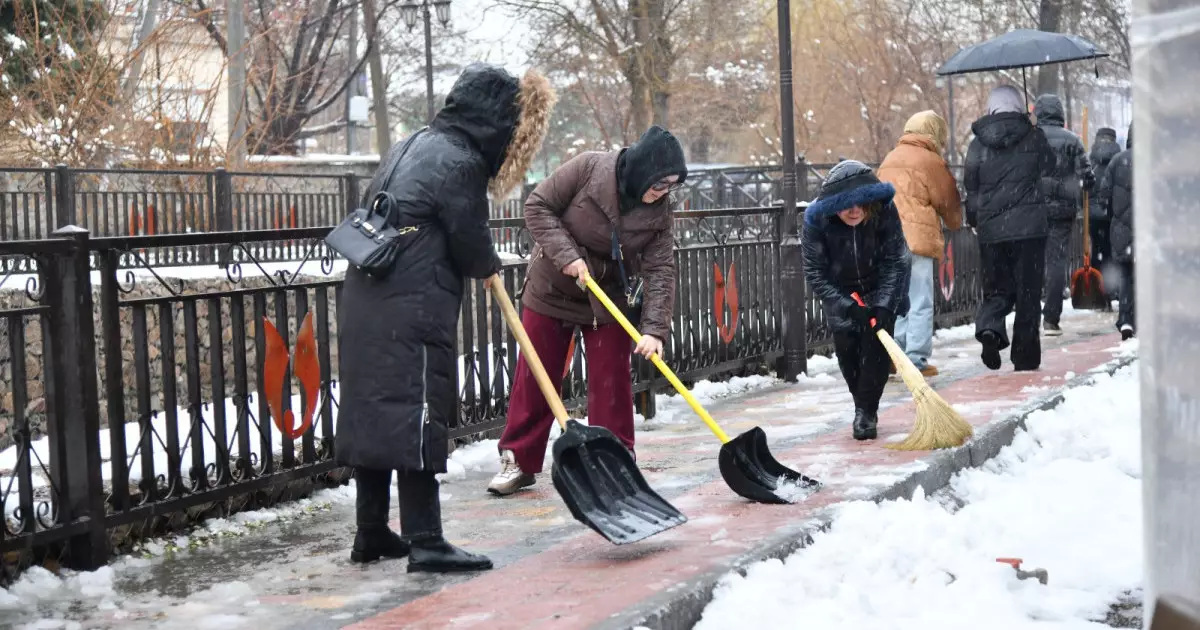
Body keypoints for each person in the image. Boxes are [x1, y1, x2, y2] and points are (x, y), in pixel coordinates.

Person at [336, 64, 554, 572]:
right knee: (416, 416)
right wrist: (488, 265)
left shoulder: (416, 142)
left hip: (369, 295)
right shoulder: (460, 161)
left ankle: (370, 533)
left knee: (378, 416)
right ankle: (427, 541)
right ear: (498, 120)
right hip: (412, 303)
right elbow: (468, 236)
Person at [487, 125, 687, 495]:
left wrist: (655, 330)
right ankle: (518, 460)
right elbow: (537, 206)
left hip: (607, 296)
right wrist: (567, 256)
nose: (663, 193)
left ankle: (615, 462)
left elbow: (660, 269)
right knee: (536, 376)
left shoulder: (659, 212)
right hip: (553, 287)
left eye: (671, 187)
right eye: (659, 184)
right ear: (641, 170)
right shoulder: (588, 168)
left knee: (612, 381)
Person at [801, 160, 909, 440]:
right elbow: (815, 272)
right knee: (849, 359)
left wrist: (885, 304)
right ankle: (862, 403)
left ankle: (866, 413)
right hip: (842, 294)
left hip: (879, 288)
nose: (854, 210)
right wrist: (847, 306)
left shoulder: (884, 212)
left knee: (876, 355)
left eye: (860, 203)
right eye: (846, 204)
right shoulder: (817, 221)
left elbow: (896, 259)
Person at [964, 85, 1057, 372]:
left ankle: (991, 328)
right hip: (1030, 231)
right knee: (1028, 294)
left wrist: (975, 219)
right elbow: (1050, 167)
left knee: (997, 290)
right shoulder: (1033, 136)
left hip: (993, 232)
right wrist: (1034, 131)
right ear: (1019, 106)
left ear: (991, 108)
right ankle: (1025, 357)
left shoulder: (978, 144)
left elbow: (971, 187)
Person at [877, 110, 963, 377]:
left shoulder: (889, 159)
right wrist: (954, 221)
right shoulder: (931, 161)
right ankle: (916, 360)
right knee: (920, 300)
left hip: (888, 240)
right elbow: (947, 200)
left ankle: (897, 355)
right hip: (917, 240)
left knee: (898, 301)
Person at [1033, 94, 1094, 336]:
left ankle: (1030, 314)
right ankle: (1051, 319)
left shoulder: (1030, 139)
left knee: (1033, 262)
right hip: (1062, 211)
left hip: (1033, 209)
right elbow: (1087, 176)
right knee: (1056, 262)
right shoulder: (1072, 141)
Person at [1097, 124, 1134, 339]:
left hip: (1121, 230)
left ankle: (1126, 319)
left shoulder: (1116, 161)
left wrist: (1116, 213)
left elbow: (1104, 194)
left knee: (1126, 276)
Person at [1089, 126, 1123, 307]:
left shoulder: (1091, 159)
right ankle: (1112, 290)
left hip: (1093, 217)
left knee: (1097, 252)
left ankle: (1098, 293)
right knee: (1112, 253)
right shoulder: (1118, 160)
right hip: (1113, 215)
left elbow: (1084, 185)